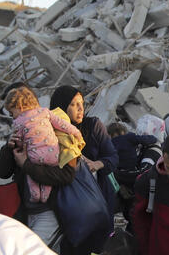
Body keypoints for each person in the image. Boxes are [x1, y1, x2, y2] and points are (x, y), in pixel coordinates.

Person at [0, 88, 78, 246]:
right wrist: (9, 147)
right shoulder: (22, 132)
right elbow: (2, 172)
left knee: (32, 252)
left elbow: (66, 176)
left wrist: (26, 165)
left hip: (50, 211)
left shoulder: (59, 137)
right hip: (24, 211)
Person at [5, 86, 85, 204]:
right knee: (45, 178)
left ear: (20, 107)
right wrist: (76, 132)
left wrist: (16, 149)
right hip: (53, 154)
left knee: (32, 177)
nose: (12, 116)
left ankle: (36, 195)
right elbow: (61, 124)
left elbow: (21, 143)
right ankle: (44, 195)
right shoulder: (45, 113)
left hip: (34, 157)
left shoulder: (18, 122)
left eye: (12, 113)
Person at [50, 86, 120, 218]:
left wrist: (96, 164)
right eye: (74, 104)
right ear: (61, 106)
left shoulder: (93, 125)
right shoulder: (50, 131)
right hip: (67, 199)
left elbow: (113, 157)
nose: (81, 109)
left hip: (99, 196)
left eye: (81, 103)